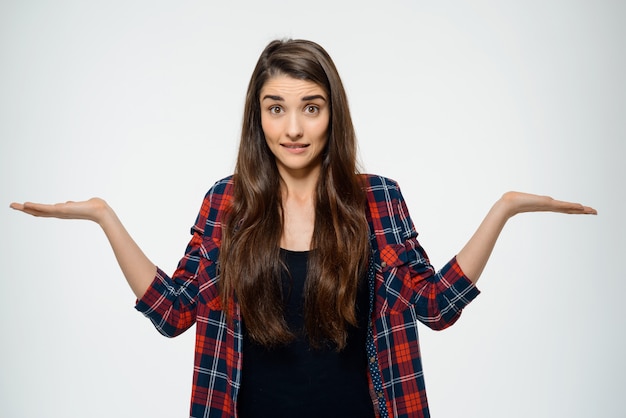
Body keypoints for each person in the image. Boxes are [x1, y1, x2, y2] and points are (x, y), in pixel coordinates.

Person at [10, 39, 596, 418]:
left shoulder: (377, 199)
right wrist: (103, 217)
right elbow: (174, 313)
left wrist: (505, 208)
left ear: (331, 113)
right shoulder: (228, 203)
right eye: (275, 107)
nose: (293, 127)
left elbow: (436, 307)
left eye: (311, 107)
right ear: (257, 115)